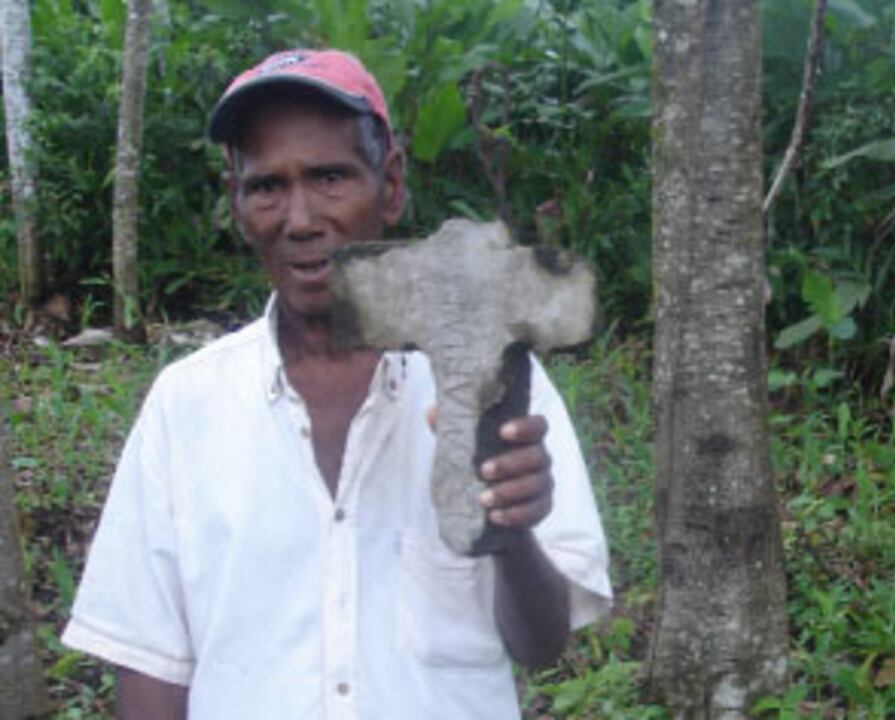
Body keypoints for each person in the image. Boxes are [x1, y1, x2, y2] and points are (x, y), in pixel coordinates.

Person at [61, 49, 612, 719]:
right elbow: (150, 665)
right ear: (236, 200)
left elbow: (542, 644)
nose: (299, 219)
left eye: (329, 177)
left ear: (391, 183)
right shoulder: (187, 407)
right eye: (267, 186)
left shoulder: (490, 379)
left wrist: (512, 528)